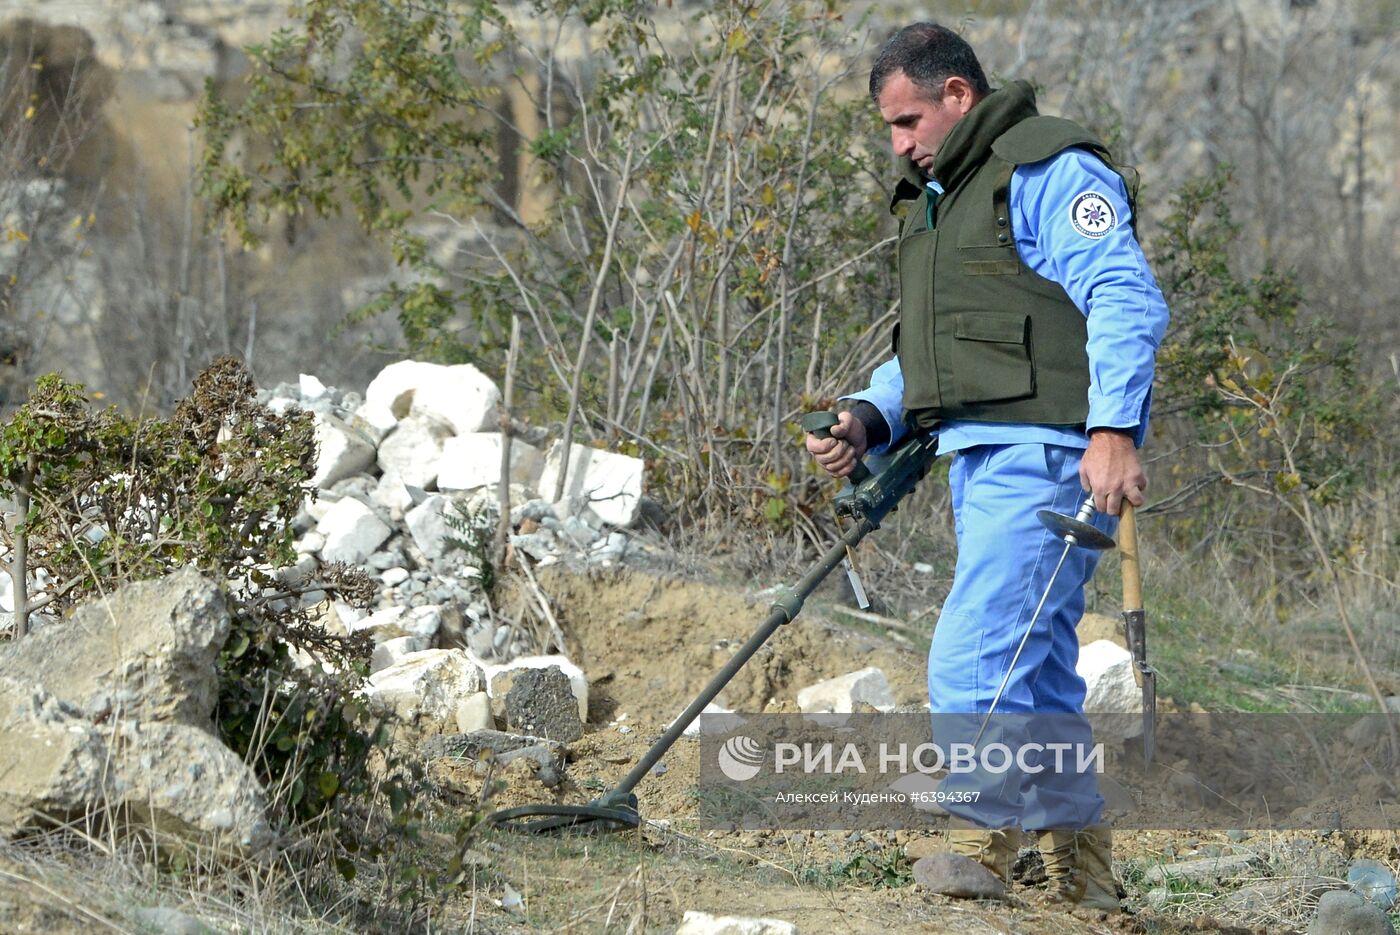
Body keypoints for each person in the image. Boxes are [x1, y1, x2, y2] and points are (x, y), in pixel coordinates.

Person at [806, 23, 1168, 910]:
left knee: (975, 650)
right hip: (988, 456)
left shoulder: (1048, 170)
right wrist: (870, 414)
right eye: (890, 127)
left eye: (906, 120)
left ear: (957, 95)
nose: (898, 142)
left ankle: (975, 851)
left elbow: (1125, 294)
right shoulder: (948, 195)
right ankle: (1084, 881)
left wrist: (1114, 428)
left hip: (1049, 455)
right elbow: (940, 344)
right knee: (1035, 669)